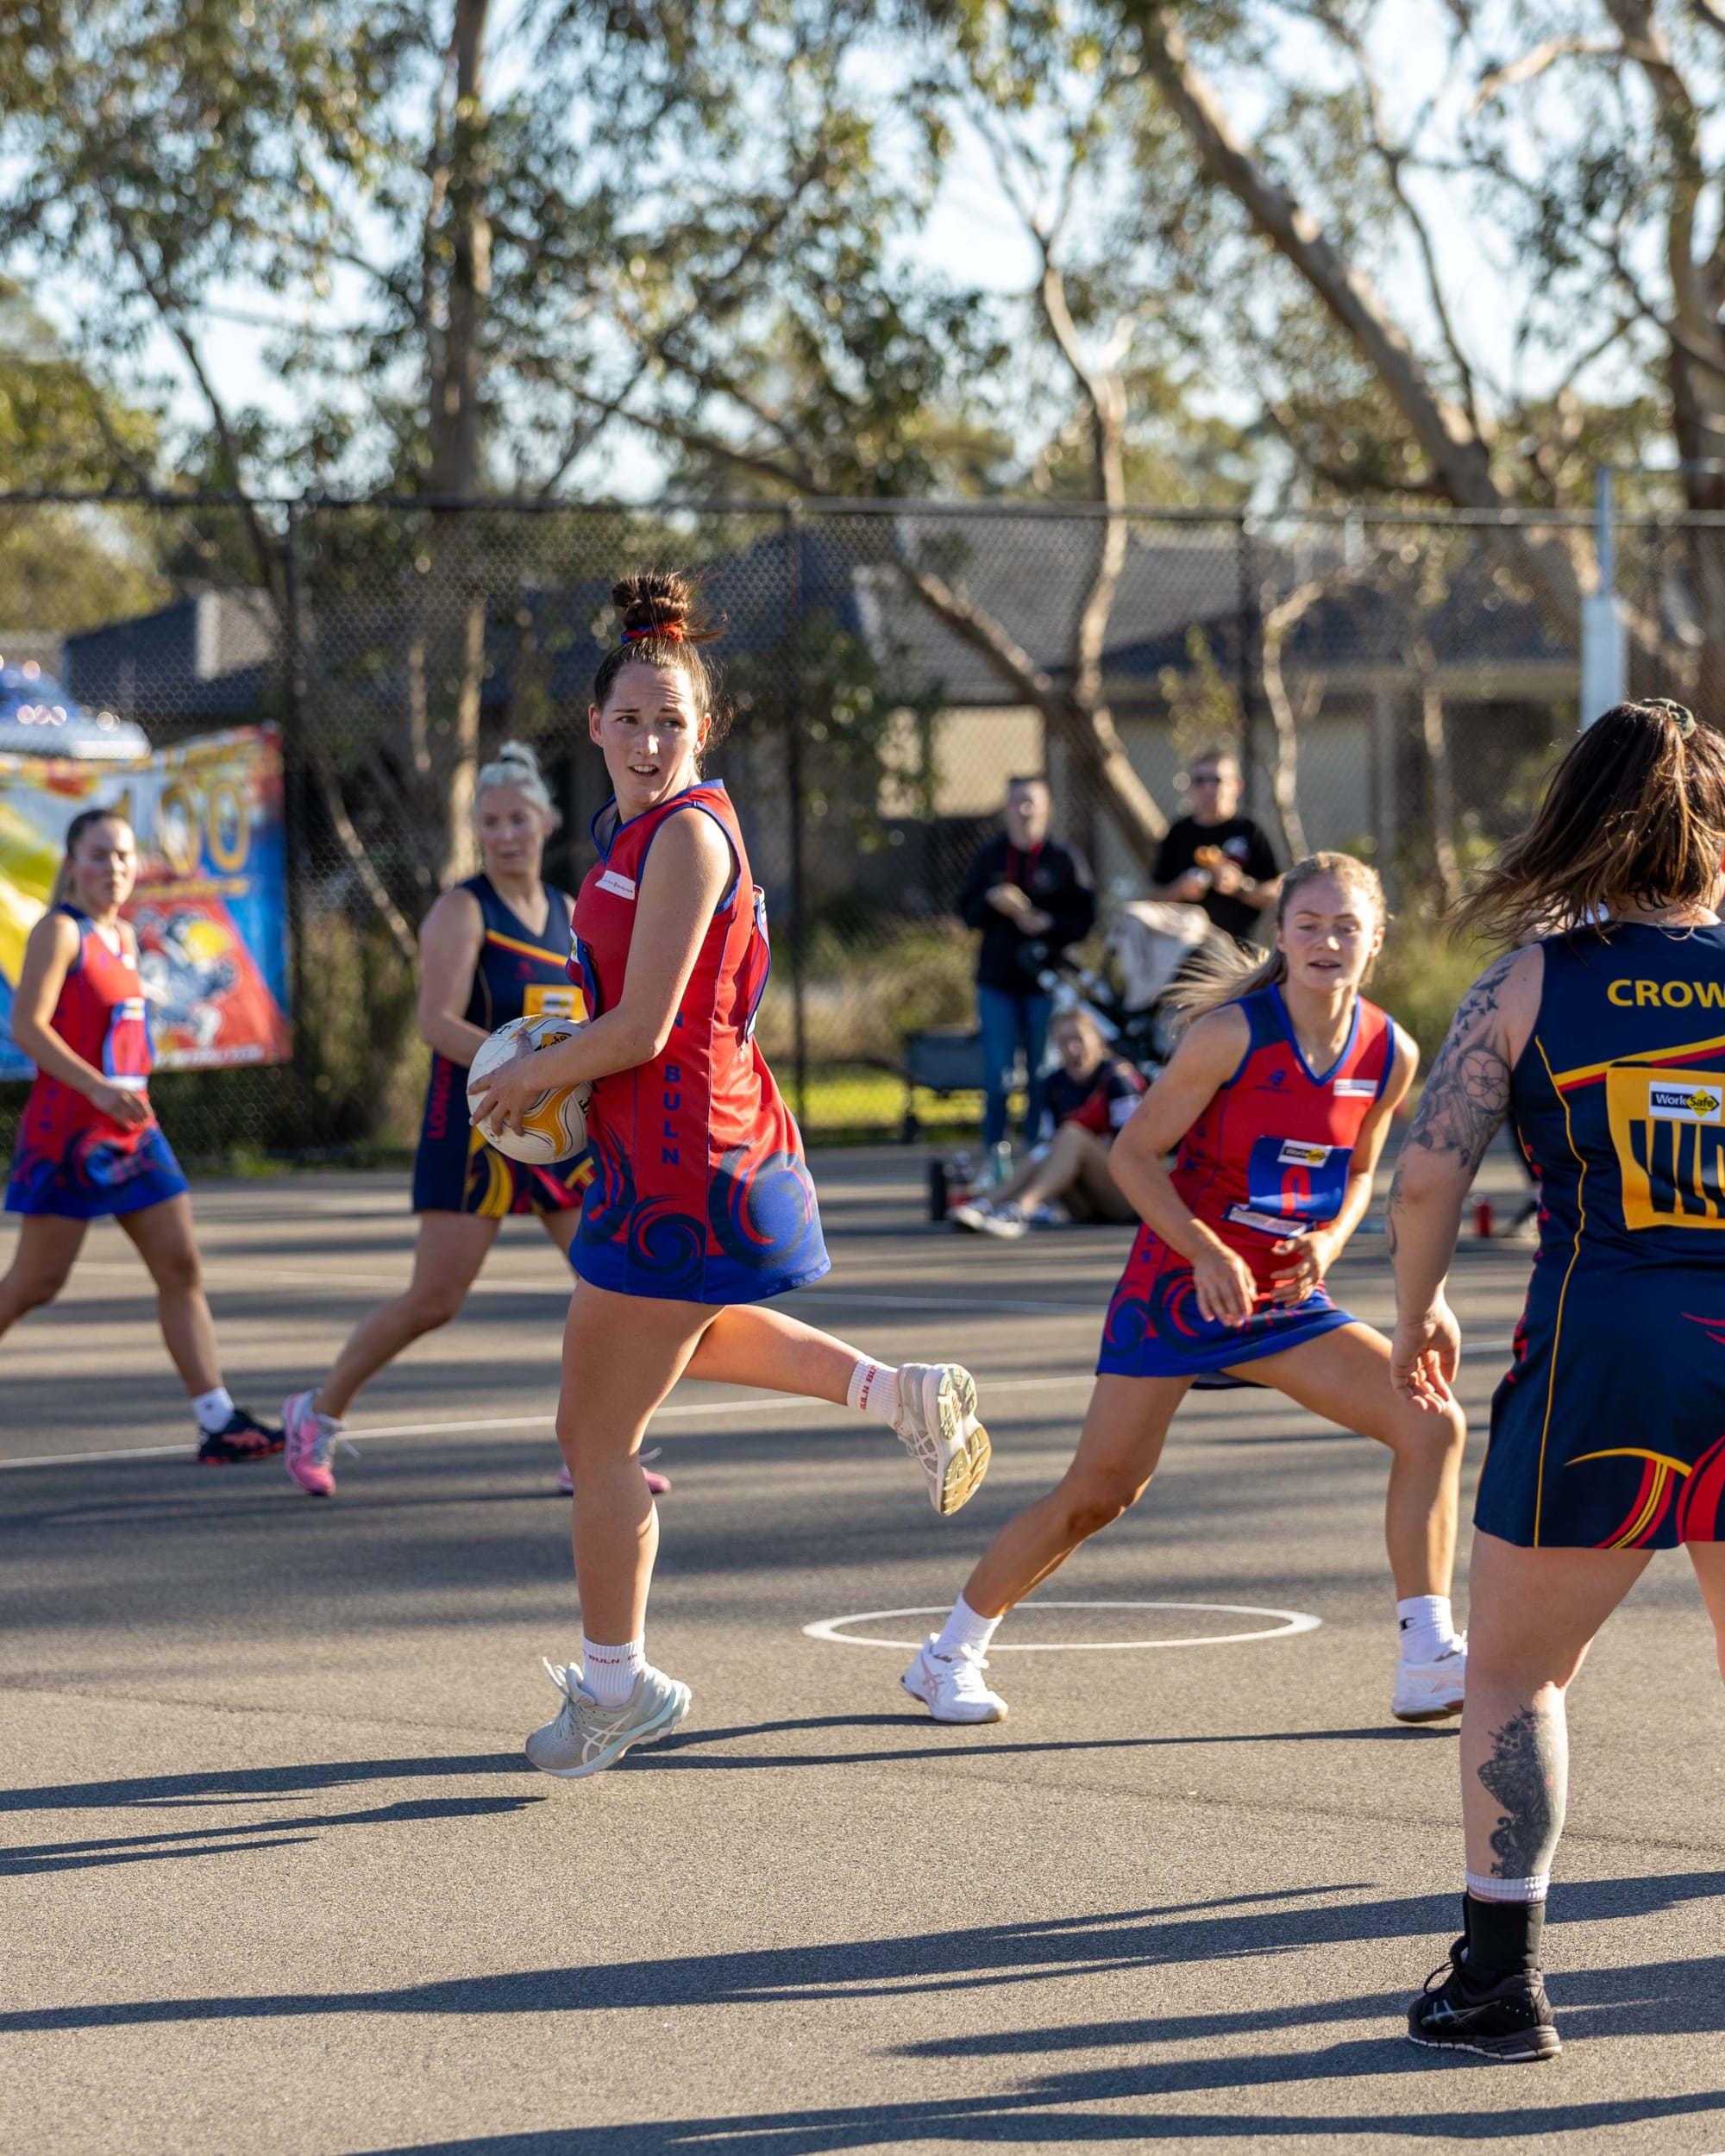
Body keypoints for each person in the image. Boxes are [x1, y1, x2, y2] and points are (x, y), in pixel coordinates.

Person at [471, 571, 993, 1779]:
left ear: (703, 731)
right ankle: (898, 1396)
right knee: (683, 1344)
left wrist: (533, 1079)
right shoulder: (632, 833)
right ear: (593, 726)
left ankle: (617, 1689)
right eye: (632, 718)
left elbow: (649, 1024)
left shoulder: (691, 837)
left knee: (593, 1434)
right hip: (670, 1151)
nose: (651, 739)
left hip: (686, 1157)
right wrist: (567, 1070)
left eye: (673, 720)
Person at [904, 851, 1468, 1730]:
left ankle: (1426, 1657)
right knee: (1100, 1491)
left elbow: (1360, 1170)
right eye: (1309, 925)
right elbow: (1131, 1158)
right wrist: (1204, 1251)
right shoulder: (1230, 1036)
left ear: (1375, 939)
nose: (1326, 942)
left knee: (1429, 1421)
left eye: (1346, 927)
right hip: (1179, 1283)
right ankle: (947, 1656)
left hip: (1279, 1298)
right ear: (1280, 934)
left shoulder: (1387, 1050)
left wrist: (1325, 1236)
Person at [1391, 699, 1725, 2065]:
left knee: (1518, 1671)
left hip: (1610, 1351)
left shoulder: (1536, 980)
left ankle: (1499, 1979)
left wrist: (1419, 1314)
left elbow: (1428, 1170)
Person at [276, 743, 659, 1501]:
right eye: (490, 823)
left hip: (551, 1127)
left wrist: (574, 1069)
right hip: (478, 1123)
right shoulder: (462, 908)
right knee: (433, 1302)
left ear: (547, 820)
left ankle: (594, 1449)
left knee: (605, 1286)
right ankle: (315, 1416)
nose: (506, 834)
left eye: (518, 818)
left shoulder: (570, 910)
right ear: (477, 831)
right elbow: (436, 1022)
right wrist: (511, 1067)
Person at [0, 807, 280, 1459]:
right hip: (70, 1131)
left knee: (181, 1267)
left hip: (133, 1131)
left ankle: (217, 1421)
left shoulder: (124, 935)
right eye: (99, 855)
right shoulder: (60, 932)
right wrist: (96, 1085)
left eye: (124, 856)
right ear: (73, 863)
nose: (113, 868)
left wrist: (122, 1091)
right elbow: (27, 1028)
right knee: (35, 1284)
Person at [957, 774, 1096, 1162]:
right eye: (1017, 802)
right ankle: (995, 1157)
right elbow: (967, 914)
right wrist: (992, 901)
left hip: (1046, 986)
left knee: (1042, 1072)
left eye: (1032, 802)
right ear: (1006, 809)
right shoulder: (990, 858)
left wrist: (1045, 923)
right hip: (998, 983)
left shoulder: (1063, 858)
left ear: (1047, 808)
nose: (1025, 810)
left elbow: (1085, 919)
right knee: (999, 1075)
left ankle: (1039, 1152)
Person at [950, 1006, 1145, 1238]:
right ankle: (985, 1205)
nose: (1073, 1049)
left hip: (1128, 1194)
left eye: (1079, 1039)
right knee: (1047, 1148)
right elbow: (1048, 1144)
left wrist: (1079, 1148)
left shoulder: (1117, 1080)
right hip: (1084, 1204)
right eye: (1063, 1042)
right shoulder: (1053, 1084)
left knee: (1072, 1134)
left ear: (1098, 1040)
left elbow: (1135, 1150)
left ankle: (1020, 1209)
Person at [1150, 749, 1282, 944]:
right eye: (1200, 781)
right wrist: (1180, 890)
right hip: (1186, 951)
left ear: (1236, 786)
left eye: (1217, 780)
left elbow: (1276, 891)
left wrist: (1240, 886)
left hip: (1241, 947)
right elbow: (1155, 893)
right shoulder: (1178, 833)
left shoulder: (1251, 830)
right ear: (1190, 787)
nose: (1208, 788)